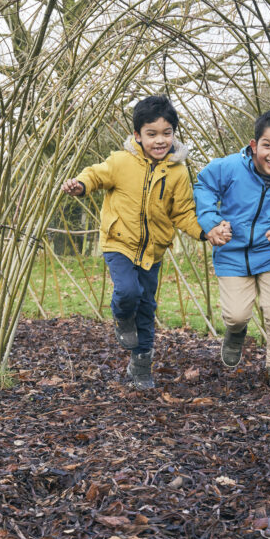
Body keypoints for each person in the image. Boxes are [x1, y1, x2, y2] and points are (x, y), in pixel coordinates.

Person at [61, 95, 230, 389]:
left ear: (174, 134)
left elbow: (184, 213)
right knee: (128, 292)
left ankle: (140, 366)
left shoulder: (177, 172)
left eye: (166, 133)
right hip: (118, 242)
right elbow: (95, 175)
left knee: (147, 306)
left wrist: (206, 232)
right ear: (137, 135)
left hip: (153, 251)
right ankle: (121, 316)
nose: (159, 140)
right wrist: (81, 185)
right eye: (151, 134)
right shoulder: (121, 161)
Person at [194, 109, 270, 391]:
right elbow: (203, 184)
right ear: (254, 146)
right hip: (231, 252)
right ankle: (236, 331)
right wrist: (212, 223)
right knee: (236, 314)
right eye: (267, 145)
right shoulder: (230, 168)